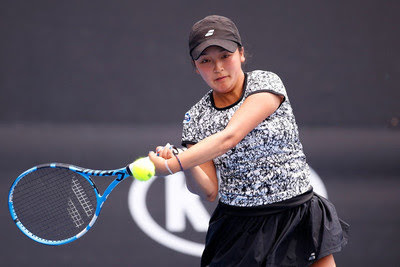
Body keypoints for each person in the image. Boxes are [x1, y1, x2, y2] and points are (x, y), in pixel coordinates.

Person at [148, 15, 349, 267]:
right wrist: (185, 163)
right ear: (195, 67)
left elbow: (230, 136)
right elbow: (209, 190)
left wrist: (172, 165)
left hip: (298, 215)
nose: (218, 67)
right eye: (206, 61)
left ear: (241, 54)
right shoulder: (196, 118)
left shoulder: (266, 83)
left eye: (225, 56)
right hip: (238, 230)